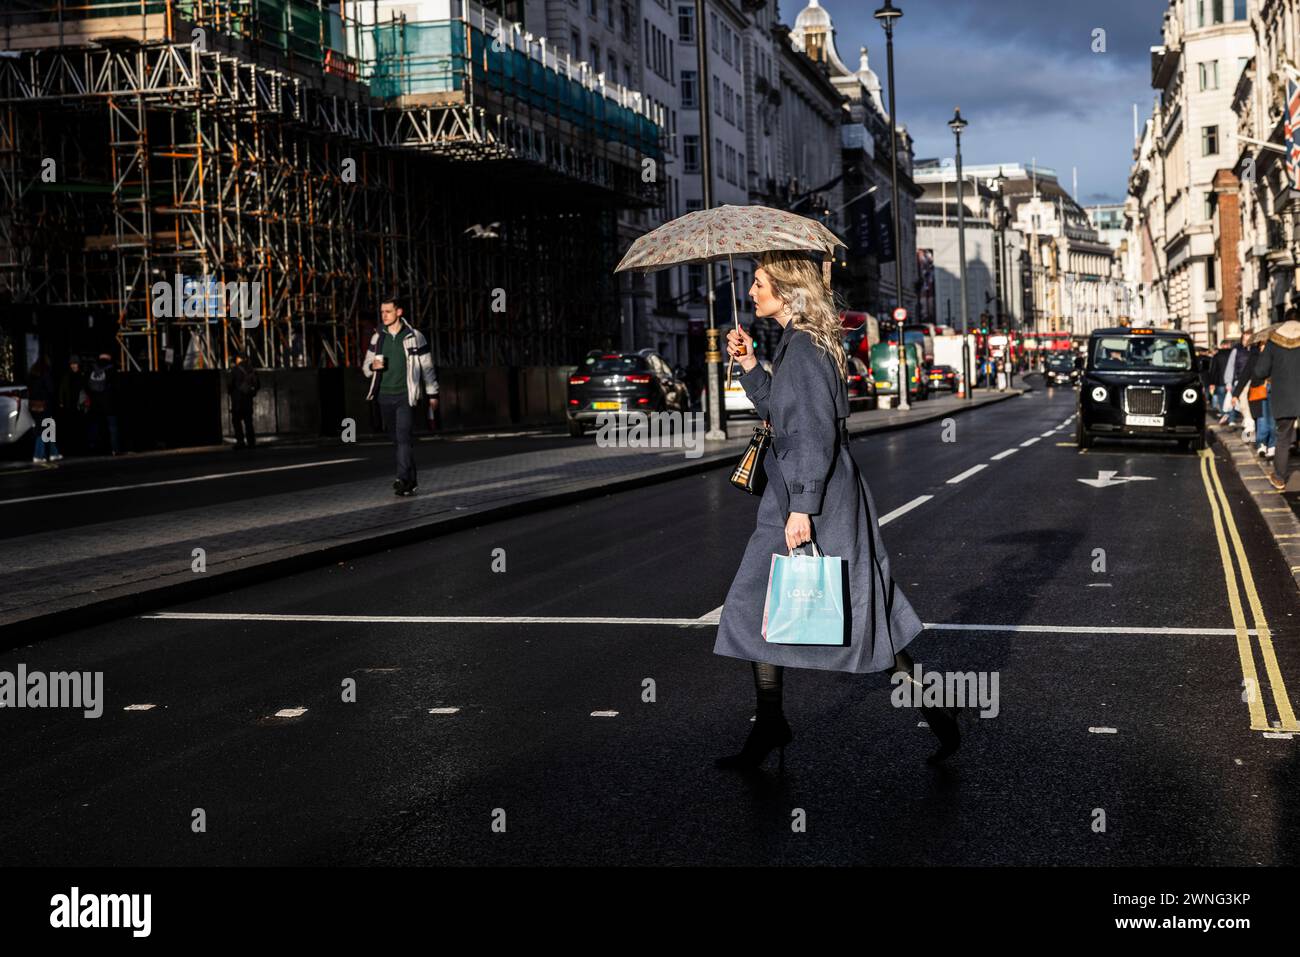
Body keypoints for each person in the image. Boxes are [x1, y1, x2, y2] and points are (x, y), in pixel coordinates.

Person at [714, 250, 961, 772]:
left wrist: (803, 507)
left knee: (857, 617)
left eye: (759, 283)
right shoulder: (799, 343)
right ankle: (772, 721)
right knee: (769, 608)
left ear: (785, 289)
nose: (752, 291)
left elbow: (811, 433)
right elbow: (782, 414)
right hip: (810, 491)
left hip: (812, 496)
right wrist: (751, 364)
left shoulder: (803, 349)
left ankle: (935, 710)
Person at [362, 292, 439, 496]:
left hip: (406, 395)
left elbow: (427, 367)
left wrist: (433, 394)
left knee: (404, 437)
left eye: (388, 311)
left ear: (399, 312)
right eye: (382, 312)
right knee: (397, 439)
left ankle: (401, 478)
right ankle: (410, 481)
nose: (384, 315)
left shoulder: (415, 336)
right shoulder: (378, 337)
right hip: (383, 396)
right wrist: (373, 365)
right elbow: (365, 368)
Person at [1256, 309, 1300, 490]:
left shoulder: (1274, 341)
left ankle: (1280, 478)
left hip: (1283, 397)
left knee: (1283, 439)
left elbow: (1260, 371)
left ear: (1284, 321)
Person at [27, 356, 62, 465]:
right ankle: (39, 455)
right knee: (44, 430)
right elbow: (50, 389)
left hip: (34, 406)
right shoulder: (46, 373)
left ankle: (53, 452)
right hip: (45, 405)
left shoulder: (32, 374)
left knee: (44, 428)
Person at [86, 352, 121, 455]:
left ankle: (93, 448)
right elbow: (117, 388)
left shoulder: (92, 369)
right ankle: (115, 449)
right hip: (109, 404)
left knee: (95, 427)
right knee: (112, 427)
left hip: (95, 403)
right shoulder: (112, 369)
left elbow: (87, 386)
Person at [56, 355, 89, 455]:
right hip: (70, 406)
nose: (73, 366)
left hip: (80, 406)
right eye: (72, 364)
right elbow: (62, 389)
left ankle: (81, 447)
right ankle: (73, 448)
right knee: (71, 428)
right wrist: (61, 402)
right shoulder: (67, 376)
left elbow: (86, 389)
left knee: (81, 427)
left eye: (75, 364)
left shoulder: (83, 375)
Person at [227, 351, 259, 449]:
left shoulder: (235, 370)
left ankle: (240, 442)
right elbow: (258, 385)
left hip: (238, 401)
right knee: (248, 422)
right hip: (248, 401)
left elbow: (230, 385)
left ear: (240, 359)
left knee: (236, 422)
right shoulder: (251, 369)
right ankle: (251, 442)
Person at [1209, 339, 1233, 417]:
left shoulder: (1217, 356)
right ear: (1229, 345)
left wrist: (1212, 382)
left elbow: (1213, 370)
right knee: (1231, 400)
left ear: (1221, 346)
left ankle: (1224, 414)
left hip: (1220, 382)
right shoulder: (1233, 354)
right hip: (1231, 381)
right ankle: (1231, 418)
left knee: (1221, 399)